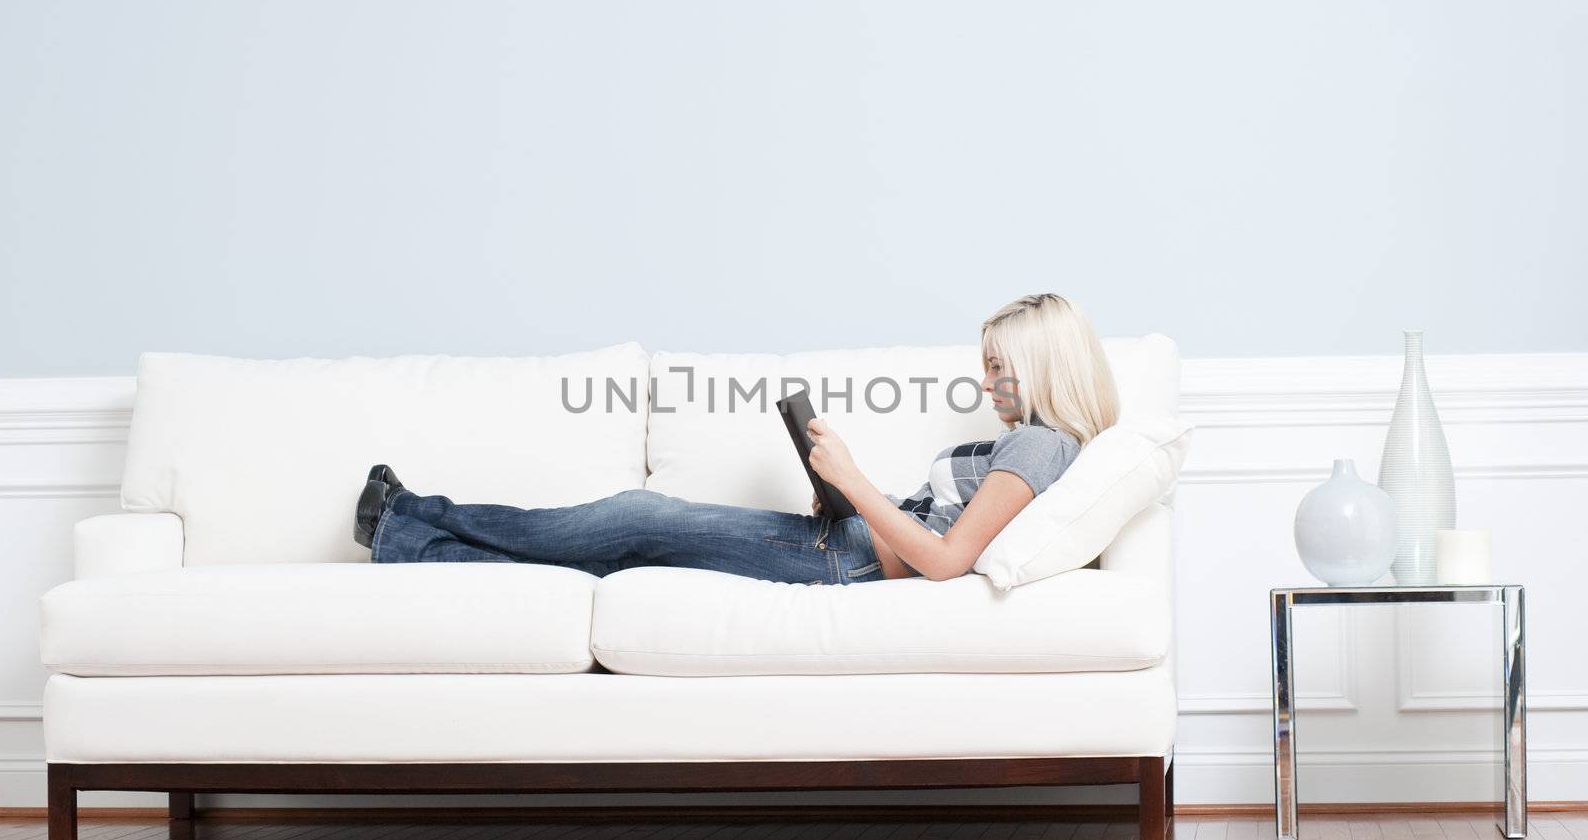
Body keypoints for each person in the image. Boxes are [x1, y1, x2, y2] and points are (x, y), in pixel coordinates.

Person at [355, 293, 1119, 586]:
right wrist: (840, 489)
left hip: (843, 557)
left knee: (631, 517)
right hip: (845, 536)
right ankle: (407, 540)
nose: (987, 384)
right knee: (618, 544)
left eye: (998, 368)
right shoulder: (1033, 445)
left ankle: (411, 513)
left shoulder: (1039, 447)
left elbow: (947, 560)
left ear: (1040, 366)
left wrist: (852, 484)